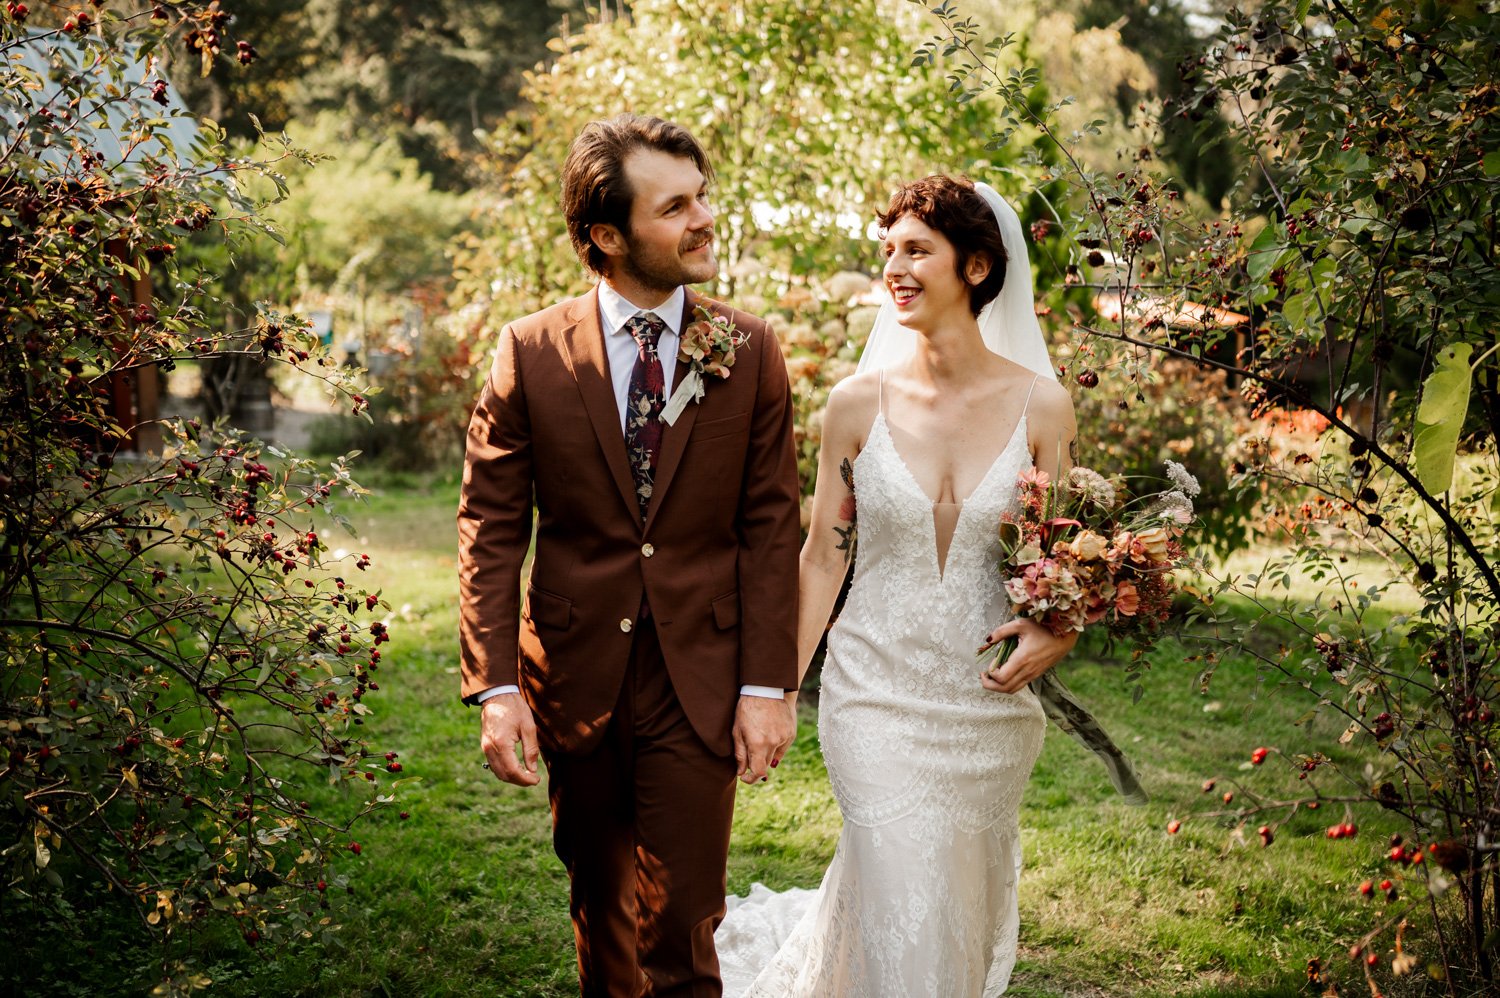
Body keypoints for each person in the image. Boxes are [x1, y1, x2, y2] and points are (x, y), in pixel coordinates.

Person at [715, 176, 1141, 996]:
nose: (895, 270)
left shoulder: (1044, 410)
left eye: (918, 251)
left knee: (950, 904)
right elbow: (821, 559)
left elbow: (1053, 563)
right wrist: (774, 689)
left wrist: (1065, 627)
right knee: (900, 870)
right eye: (888, 253)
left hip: (986, 707)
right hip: (873, 692)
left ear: (978, 267)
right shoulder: (854, 406)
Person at [457, 113, 803, 997]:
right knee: (601, 910)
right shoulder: (530, 353)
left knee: (684, 921)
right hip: (575, 670)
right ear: (606, 236)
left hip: (702, 670)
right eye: (676, 205)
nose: (705, 220)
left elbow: (770, 527)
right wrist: (497, 688)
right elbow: (491, 527)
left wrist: (769, 685)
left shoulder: (751, 349)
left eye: (703, 198)